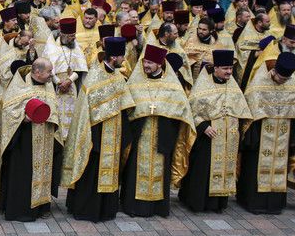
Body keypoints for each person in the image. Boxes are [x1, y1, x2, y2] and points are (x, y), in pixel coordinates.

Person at [62, 37, 135, 222]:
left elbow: (124, 104)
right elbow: (87, 112)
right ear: (113, 58)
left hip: (114, 133)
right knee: (91, 172)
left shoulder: (118, 77)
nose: (123, 61)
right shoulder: (94, 78)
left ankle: (106, 210)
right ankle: (87, 210)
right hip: (95, 135)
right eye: (121, 57)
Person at [173, 50, 251, 213]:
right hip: (207, 137)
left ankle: (218, 204)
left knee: (222, 169)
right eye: (225, 68)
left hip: (228, 138)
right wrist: (203, 127)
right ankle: (197, 202)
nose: (229, 72)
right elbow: (192, 111)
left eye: (230, 68)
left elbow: (241, 110)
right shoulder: (203, 85)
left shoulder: (233, 86)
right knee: (202, 170)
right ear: (215, 68)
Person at [121, 44, 194, 218]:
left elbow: (182, 110)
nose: (146, 65)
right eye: (145, 61)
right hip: (140, 134)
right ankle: (133, 206)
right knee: (135, 169)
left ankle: (158, 207)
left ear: (160, 64)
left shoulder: (172, 85)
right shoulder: (136, 81)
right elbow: (127, 107)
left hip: (163, 135)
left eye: (150, 63)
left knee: (161, 169)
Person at [0, 57, 62, 221]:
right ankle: (20, 209)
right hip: (23, 140)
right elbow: (7, 111)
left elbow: (55, 107)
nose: (52, 74)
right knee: (23, 173)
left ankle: (41, 206)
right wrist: (22, 118)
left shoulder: (48, 85)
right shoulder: (19, 86)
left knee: (43, 171)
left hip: (45, 136)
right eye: (49, 71)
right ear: (37, 72)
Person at [238, 52, 295, 214]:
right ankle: (253, 202)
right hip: (260, 134)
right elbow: (250, 109)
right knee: (255, 168)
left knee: (279, 167)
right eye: (280, 78)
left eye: (286, 79)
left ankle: (275, 204)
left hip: (283, 135)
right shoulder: (258, 84)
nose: (282, 81)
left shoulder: (292, 84)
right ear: (274, 71)